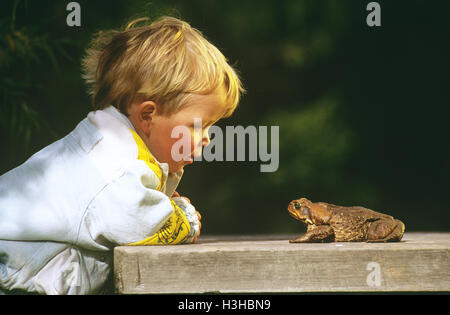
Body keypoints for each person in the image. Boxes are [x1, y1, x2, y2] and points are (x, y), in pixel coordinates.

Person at [0, 16, 244, 294]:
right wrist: (184, 218)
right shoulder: (113, 163)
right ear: (148, 115)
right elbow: (142, 224)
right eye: (198, 125)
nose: (207, 136)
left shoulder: (117, 149)